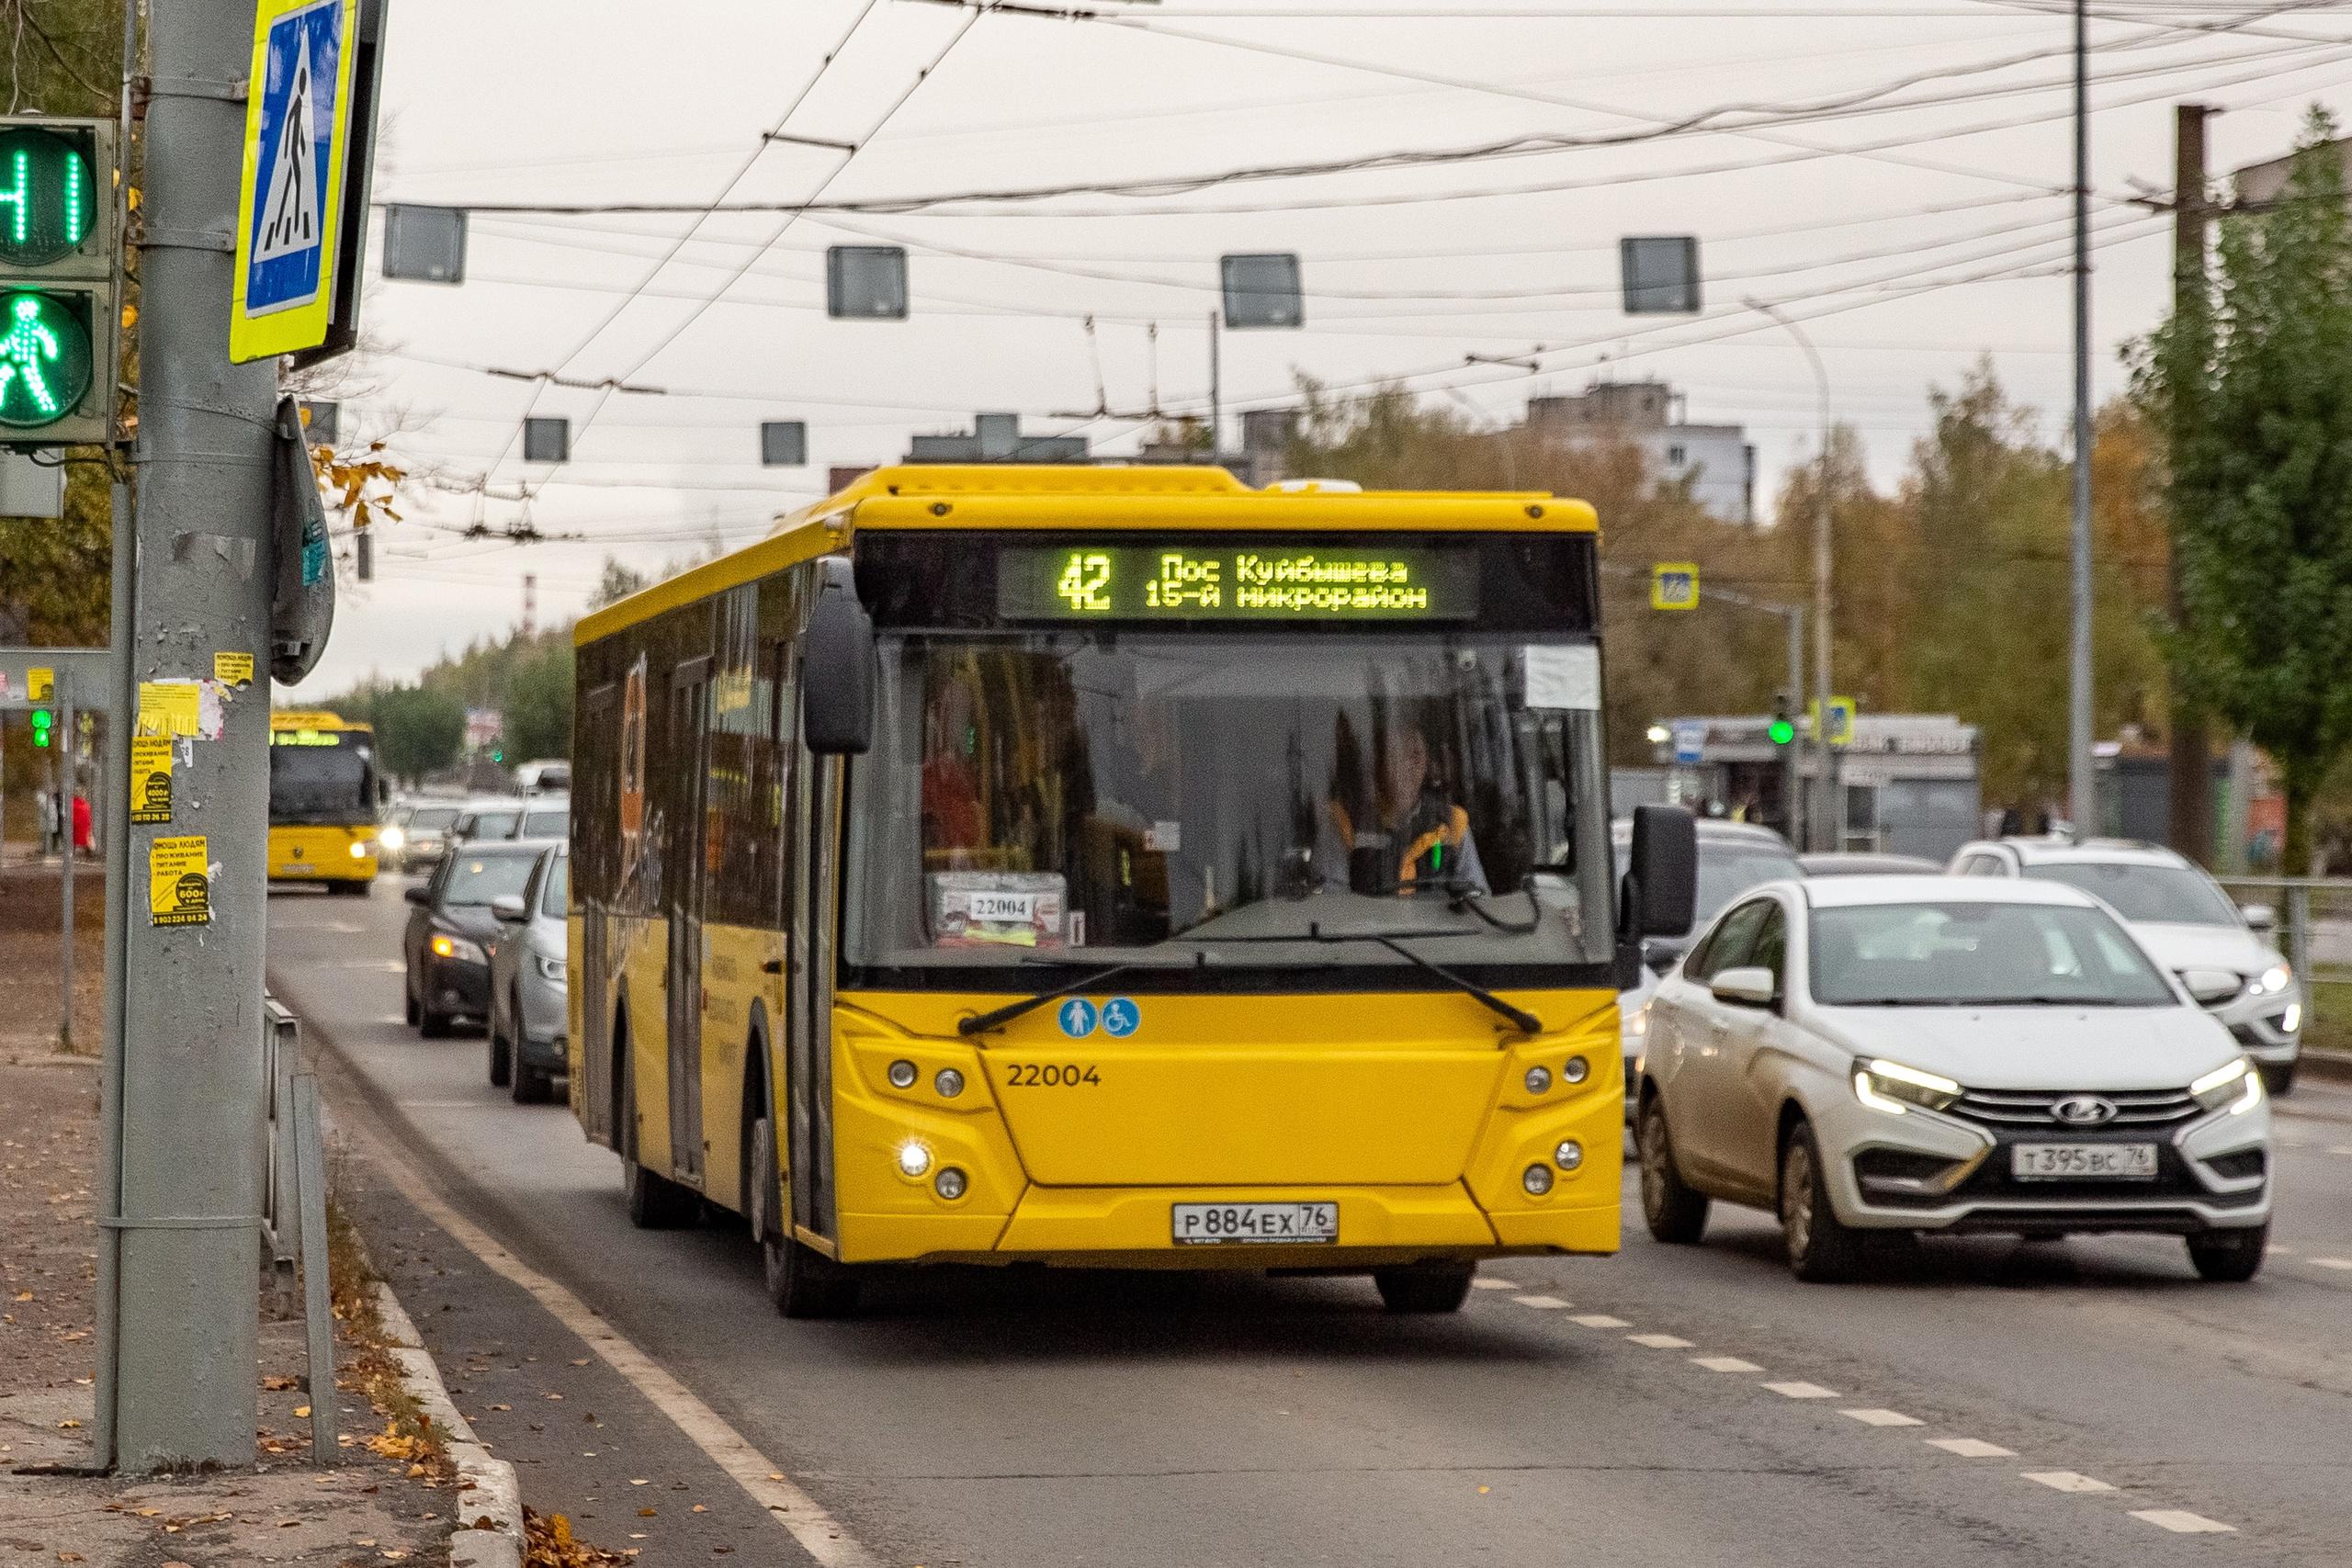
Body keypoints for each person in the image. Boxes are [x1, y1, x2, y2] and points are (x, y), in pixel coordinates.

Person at [1329, 722, 1487, 895]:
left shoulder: (1453, 821)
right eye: (1395, 754)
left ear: (1426, 763)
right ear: (1379, 763)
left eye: (1415, 754)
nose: (1406, 765)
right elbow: (1333, 902)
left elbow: (1477, 896)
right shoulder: (1344, 820)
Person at [71, 791, 92, 859]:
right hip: (83, 825)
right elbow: (88, 815)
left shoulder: (73, 804)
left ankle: (72, 854)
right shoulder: (85, 804)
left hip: (77, 825)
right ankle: (87, 855)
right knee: (85, 840)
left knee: (74, 840)